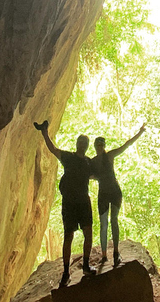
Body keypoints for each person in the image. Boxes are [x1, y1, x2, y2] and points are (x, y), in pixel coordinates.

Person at [35, 120, 96, 287]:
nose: (82, 145)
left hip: (82, 201)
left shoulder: (88, 162)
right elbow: (53, 149)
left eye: (85, 143)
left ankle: (85, 265)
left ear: (87, 146)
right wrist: (45, 133)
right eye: (81, 143)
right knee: (68, 236)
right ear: (77, 144)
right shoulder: (68, 157)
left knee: (88, 233)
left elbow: (95, 175)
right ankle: (66, 272)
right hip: (70, 202)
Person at [91, 123, 146, 267]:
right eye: (98, 145)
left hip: (112, 192)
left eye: (101, 145)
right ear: (96, 147)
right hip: (108, 192)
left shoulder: (107, 157)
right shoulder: (97, 160)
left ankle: (115, 252)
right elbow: (89, 175)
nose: (99, 148)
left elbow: (126, 145)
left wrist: (139, 133)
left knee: (113, 221)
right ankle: (105, 254)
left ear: (102, 146)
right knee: (104, 224)